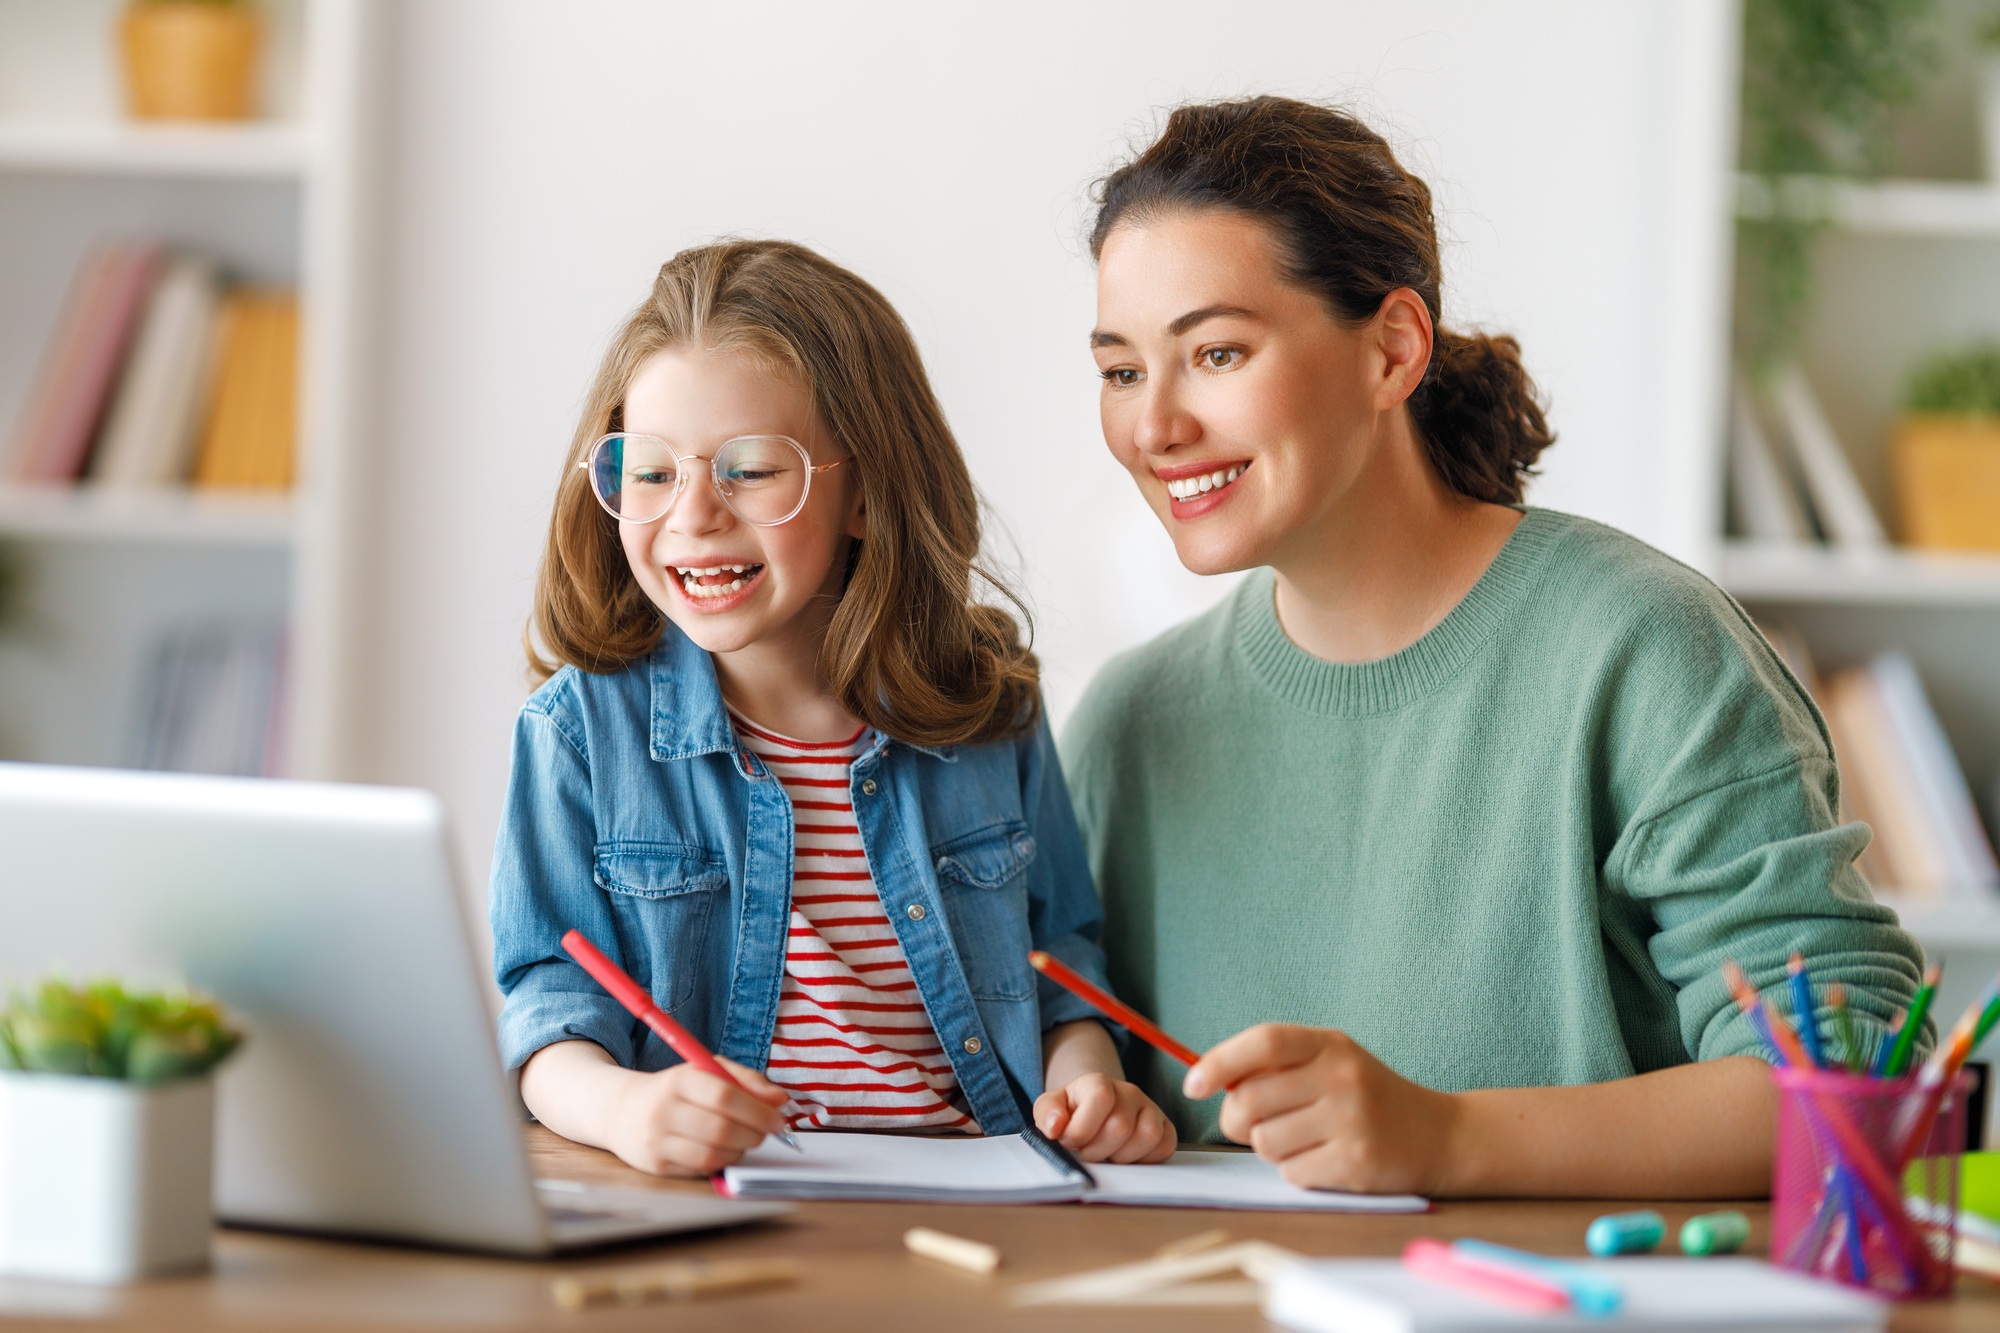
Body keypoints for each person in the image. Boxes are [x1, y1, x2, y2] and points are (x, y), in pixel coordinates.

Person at [1063, 96, 1927, 1198]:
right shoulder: (1130, 723)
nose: (1153, 428)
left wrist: (1446, 1138)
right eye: (1121, 370)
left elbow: (1850, 1081)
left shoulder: (1639, 649)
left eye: (1216, 352)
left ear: (1392, 348)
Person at [491, 240, 1174, 1176]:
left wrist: (1088, 1079)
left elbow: (1057, 957)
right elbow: (547, 1002)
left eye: (751, 469)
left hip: (974, 1183)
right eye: (650, 471)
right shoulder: (578, 733)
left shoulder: (987, 707)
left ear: (866, 492)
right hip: (725, 1202)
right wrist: (624, 1108)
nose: (692, 514)